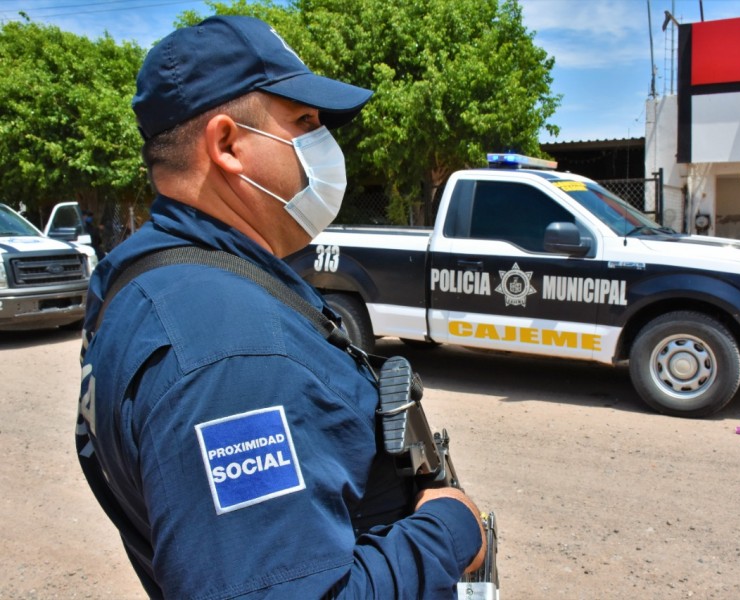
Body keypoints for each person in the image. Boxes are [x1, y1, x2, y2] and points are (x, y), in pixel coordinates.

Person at [76, 15, 486, 599]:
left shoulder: (142, 278)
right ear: (226, 146)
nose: (326, 146)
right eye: (305, 122)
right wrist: (449, 530)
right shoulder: (231, 349)